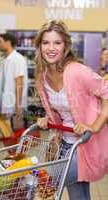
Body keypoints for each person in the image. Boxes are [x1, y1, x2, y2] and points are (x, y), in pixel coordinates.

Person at [35, 20, 108, 200]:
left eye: (57, 43)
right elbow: (62, 107)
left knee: (46, 179)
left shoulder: (77, 71)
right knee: (78, 195)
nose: (51, 48)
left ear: (65, 46)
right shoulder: (41, 77)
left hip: (87, 144)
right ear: (39, 46)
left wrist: (95, 125)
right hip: (66, 144)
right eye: (46, 42)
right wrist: (48, 119)